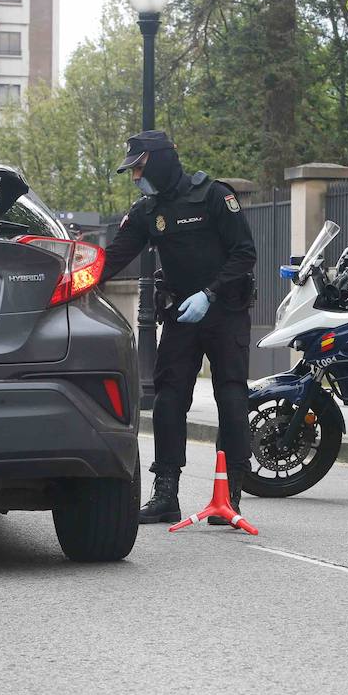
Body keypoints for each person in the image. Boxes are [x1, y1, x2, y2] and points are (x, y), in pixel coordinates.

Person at [101, 130, 257, 525]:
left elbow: (245, 253)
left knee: (232, 398)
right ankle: (166, 493)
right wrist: (69, 282)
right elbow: (112, 259)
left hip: (225, 311)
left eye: (139, 167)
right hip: (181, 316)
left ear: (161, 160)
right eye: (132, 171)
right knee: (168, 400)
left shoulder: (213, 196)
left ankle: (230, 495)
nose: (136, 177)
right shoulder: (146, 211)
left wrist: (210, 293)